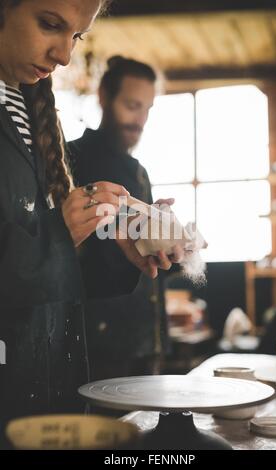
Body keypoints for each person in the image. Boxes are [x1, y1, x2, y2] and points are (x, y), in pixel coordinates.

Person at [0, 0, 181, 443]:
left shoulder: (32, 111)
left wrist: (118, 248)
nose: (64, 55)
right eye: (49, 25)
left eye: (76, 36)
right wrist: (61, 235)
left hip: (50, 386)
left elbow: (60, 276)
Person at [70, 57, 175, 379]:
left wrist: (171, 245)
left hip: (146, 341)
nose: (139, 119)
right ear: (104, 96)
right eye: (132, 105)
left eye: (147, 109)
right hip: (96, 344)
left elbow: (145, 260)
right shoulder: (69, 159)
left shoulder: (138, 171)